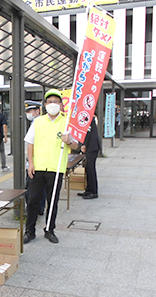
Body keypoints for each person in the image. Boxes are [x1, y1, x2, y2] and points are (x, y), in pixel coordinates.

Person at [23, 89, 79, 244]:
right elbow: (30, 143)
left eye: (56, 102)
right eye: (50, 102)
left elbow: (76, 145)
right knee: (33, 200)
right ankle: (30, 231)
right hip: (38, 167)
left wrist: (68, 141)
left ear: (61, 105)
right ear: (45, 105)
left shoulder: (66, 122)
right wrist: (31, 163)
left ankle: (49, 230)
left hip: (56, 168)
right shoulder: (38, 122)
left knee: (52, 201)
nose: (53, 104)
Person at [24, 100, 45, 216]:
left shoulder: (37, 123)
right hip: (38, 161)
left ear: (37, 111)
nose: (28, 113)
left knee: (32, 188)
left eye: (30, 111)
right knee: (40, 188)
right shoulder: (37, 122)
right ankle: (40, 208)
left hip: (36, 161)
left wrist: (30, 161)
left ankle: (35, 209)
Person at [78, 116, 101, 199]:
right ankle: (88, 189)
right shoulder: (86, 116)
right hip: (90, 146)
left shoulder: (88, 116)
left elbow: (88, 132)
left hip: (92, 146)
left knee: (91, 169)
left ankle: (93, 191)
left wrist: (85, 145)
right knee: (88, 169)